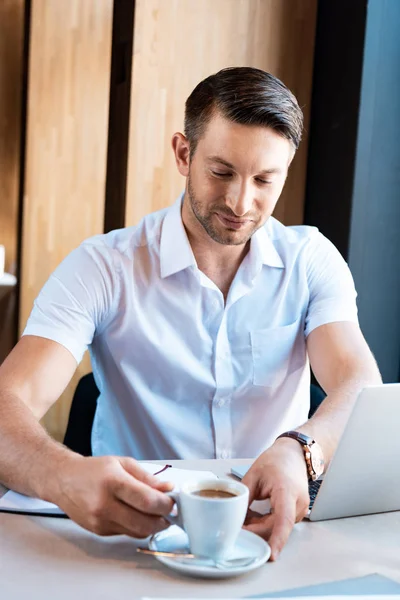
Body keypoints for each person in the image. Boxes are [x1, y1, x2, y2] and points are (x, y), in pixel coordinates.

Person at [0, 67, 381, 560]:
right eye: (221, 172)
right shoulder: (103, 267)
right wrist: (63, 476)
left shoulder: (310, 259)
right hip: (135, 540)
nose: (241, 202)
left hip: (276, 530)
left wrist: (302, 448)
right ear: (184, 153)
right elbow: (8, 403)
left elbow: (359, 383)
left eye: (265, 179)